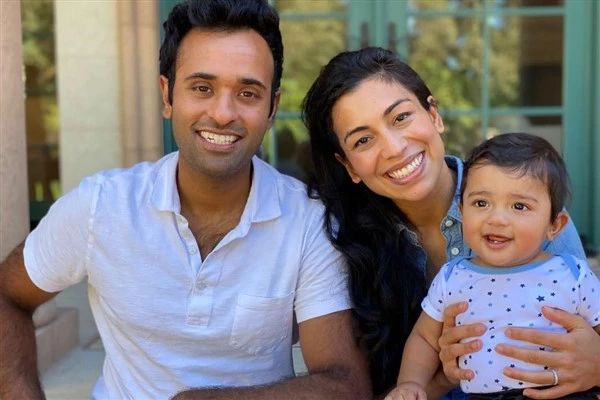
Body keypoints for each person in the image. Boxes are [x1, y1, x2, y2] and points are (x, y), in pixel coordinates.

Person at [0, 1, 371, 399]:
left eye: (248, 93)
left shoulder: (307, 223)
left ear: (271, 110)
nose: (223, 113)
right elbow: (8, 295)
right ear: (167, 95)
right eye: (201, 88)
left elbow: (344, 384)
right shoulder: (101, 206)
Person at [301, 47, 600, 399]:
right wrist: (440, 378)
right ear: (349, 165)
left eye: (401, 117)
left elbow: (587, 336)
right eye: (364, 140)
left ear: (434, 115)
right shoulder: (346, 246)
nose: (394, 148)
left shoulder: (532, 214)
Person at [387, 133, 600, 400]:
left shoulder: (572, 274)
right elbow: (424, 338)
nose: (497, 218)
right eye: (481, 203)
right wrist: (410, 384)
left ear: (554, 225)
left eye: (519, 206)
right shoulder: (453, 278)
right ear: (462, 211)